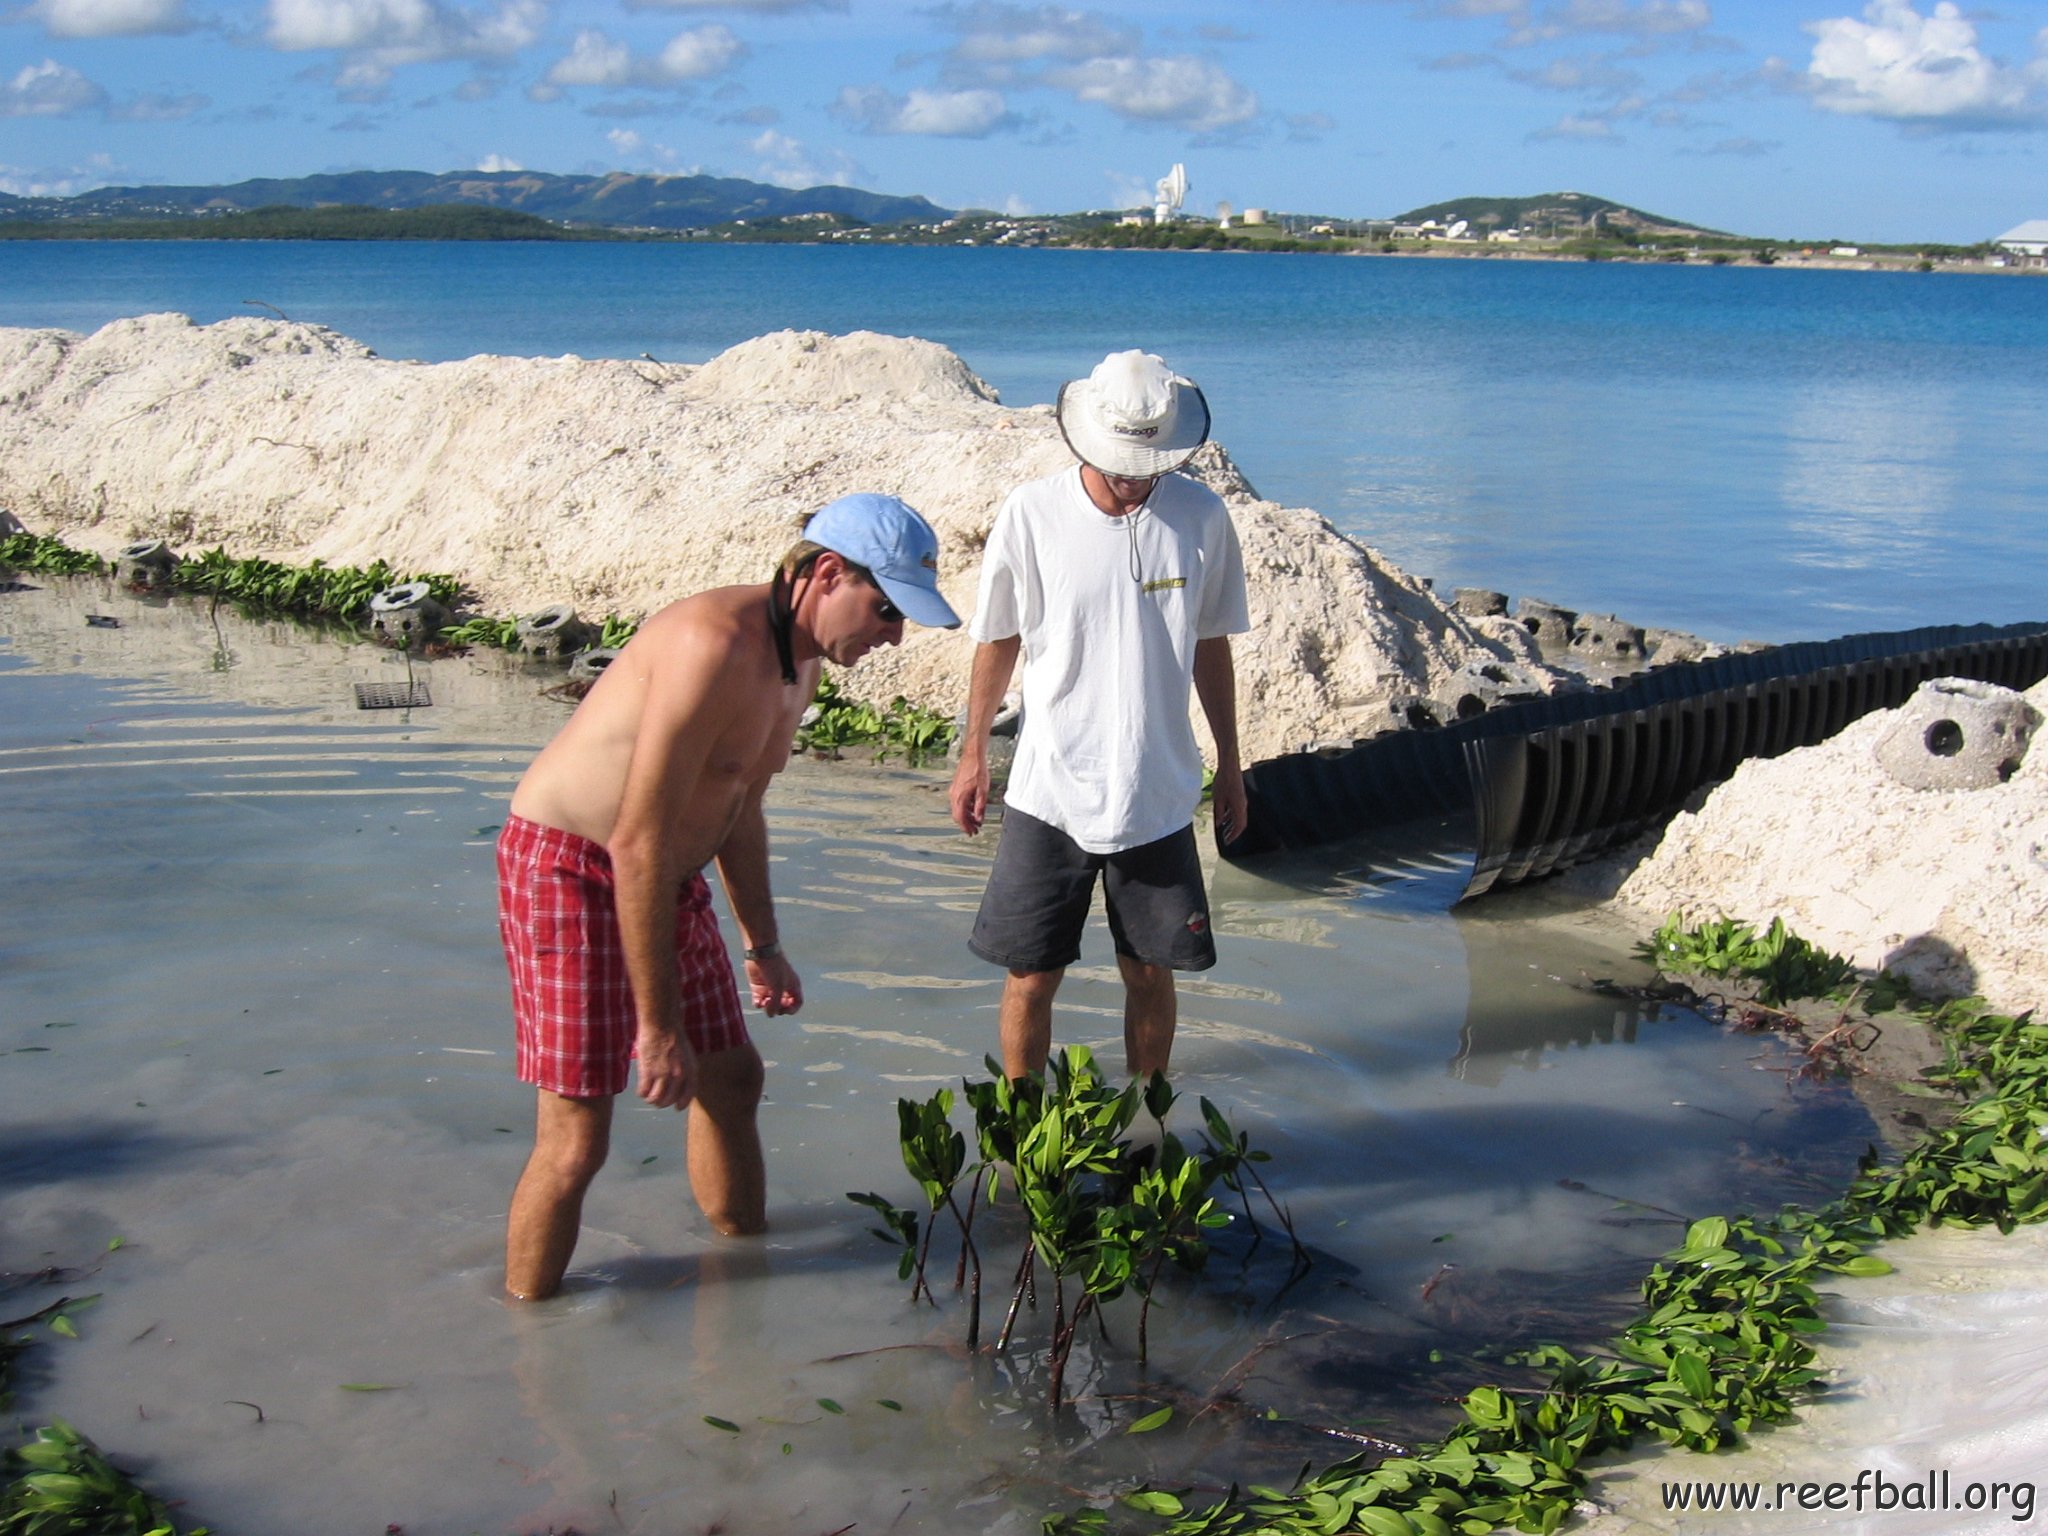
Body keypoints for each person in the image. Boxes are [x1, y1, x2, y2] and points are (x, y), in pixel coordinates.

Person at [500, 493, 960, 1301]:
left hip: (664, 879)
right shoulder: (709, 645)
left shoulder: (802, 663)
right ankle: (524, 1331)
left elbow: (740, 807)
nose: (895, 636)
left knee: (733, 1078)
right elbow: (635, 839)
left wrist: (764, 945)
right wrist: (657, 1026)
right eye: (887, 611)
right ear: (826, 574)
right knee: (578, 1140)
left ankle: (742, 1284)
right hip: (570, 869)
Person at [949, 350, 1250, 1082]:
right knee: (1030, 977)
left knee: (1151, 975)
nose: (1135, 476)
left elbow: (1211, 646)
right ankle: (1022, 1143)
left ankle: (1147, 1127)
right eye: (1122, 462)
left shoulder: (1203, 517)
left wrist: (1232, 768)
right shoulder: (1033, 512)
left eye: (1149, 463)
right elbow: (998, 636)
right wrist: (971, 755)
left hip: (1158, 791)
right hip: (1048, 789)